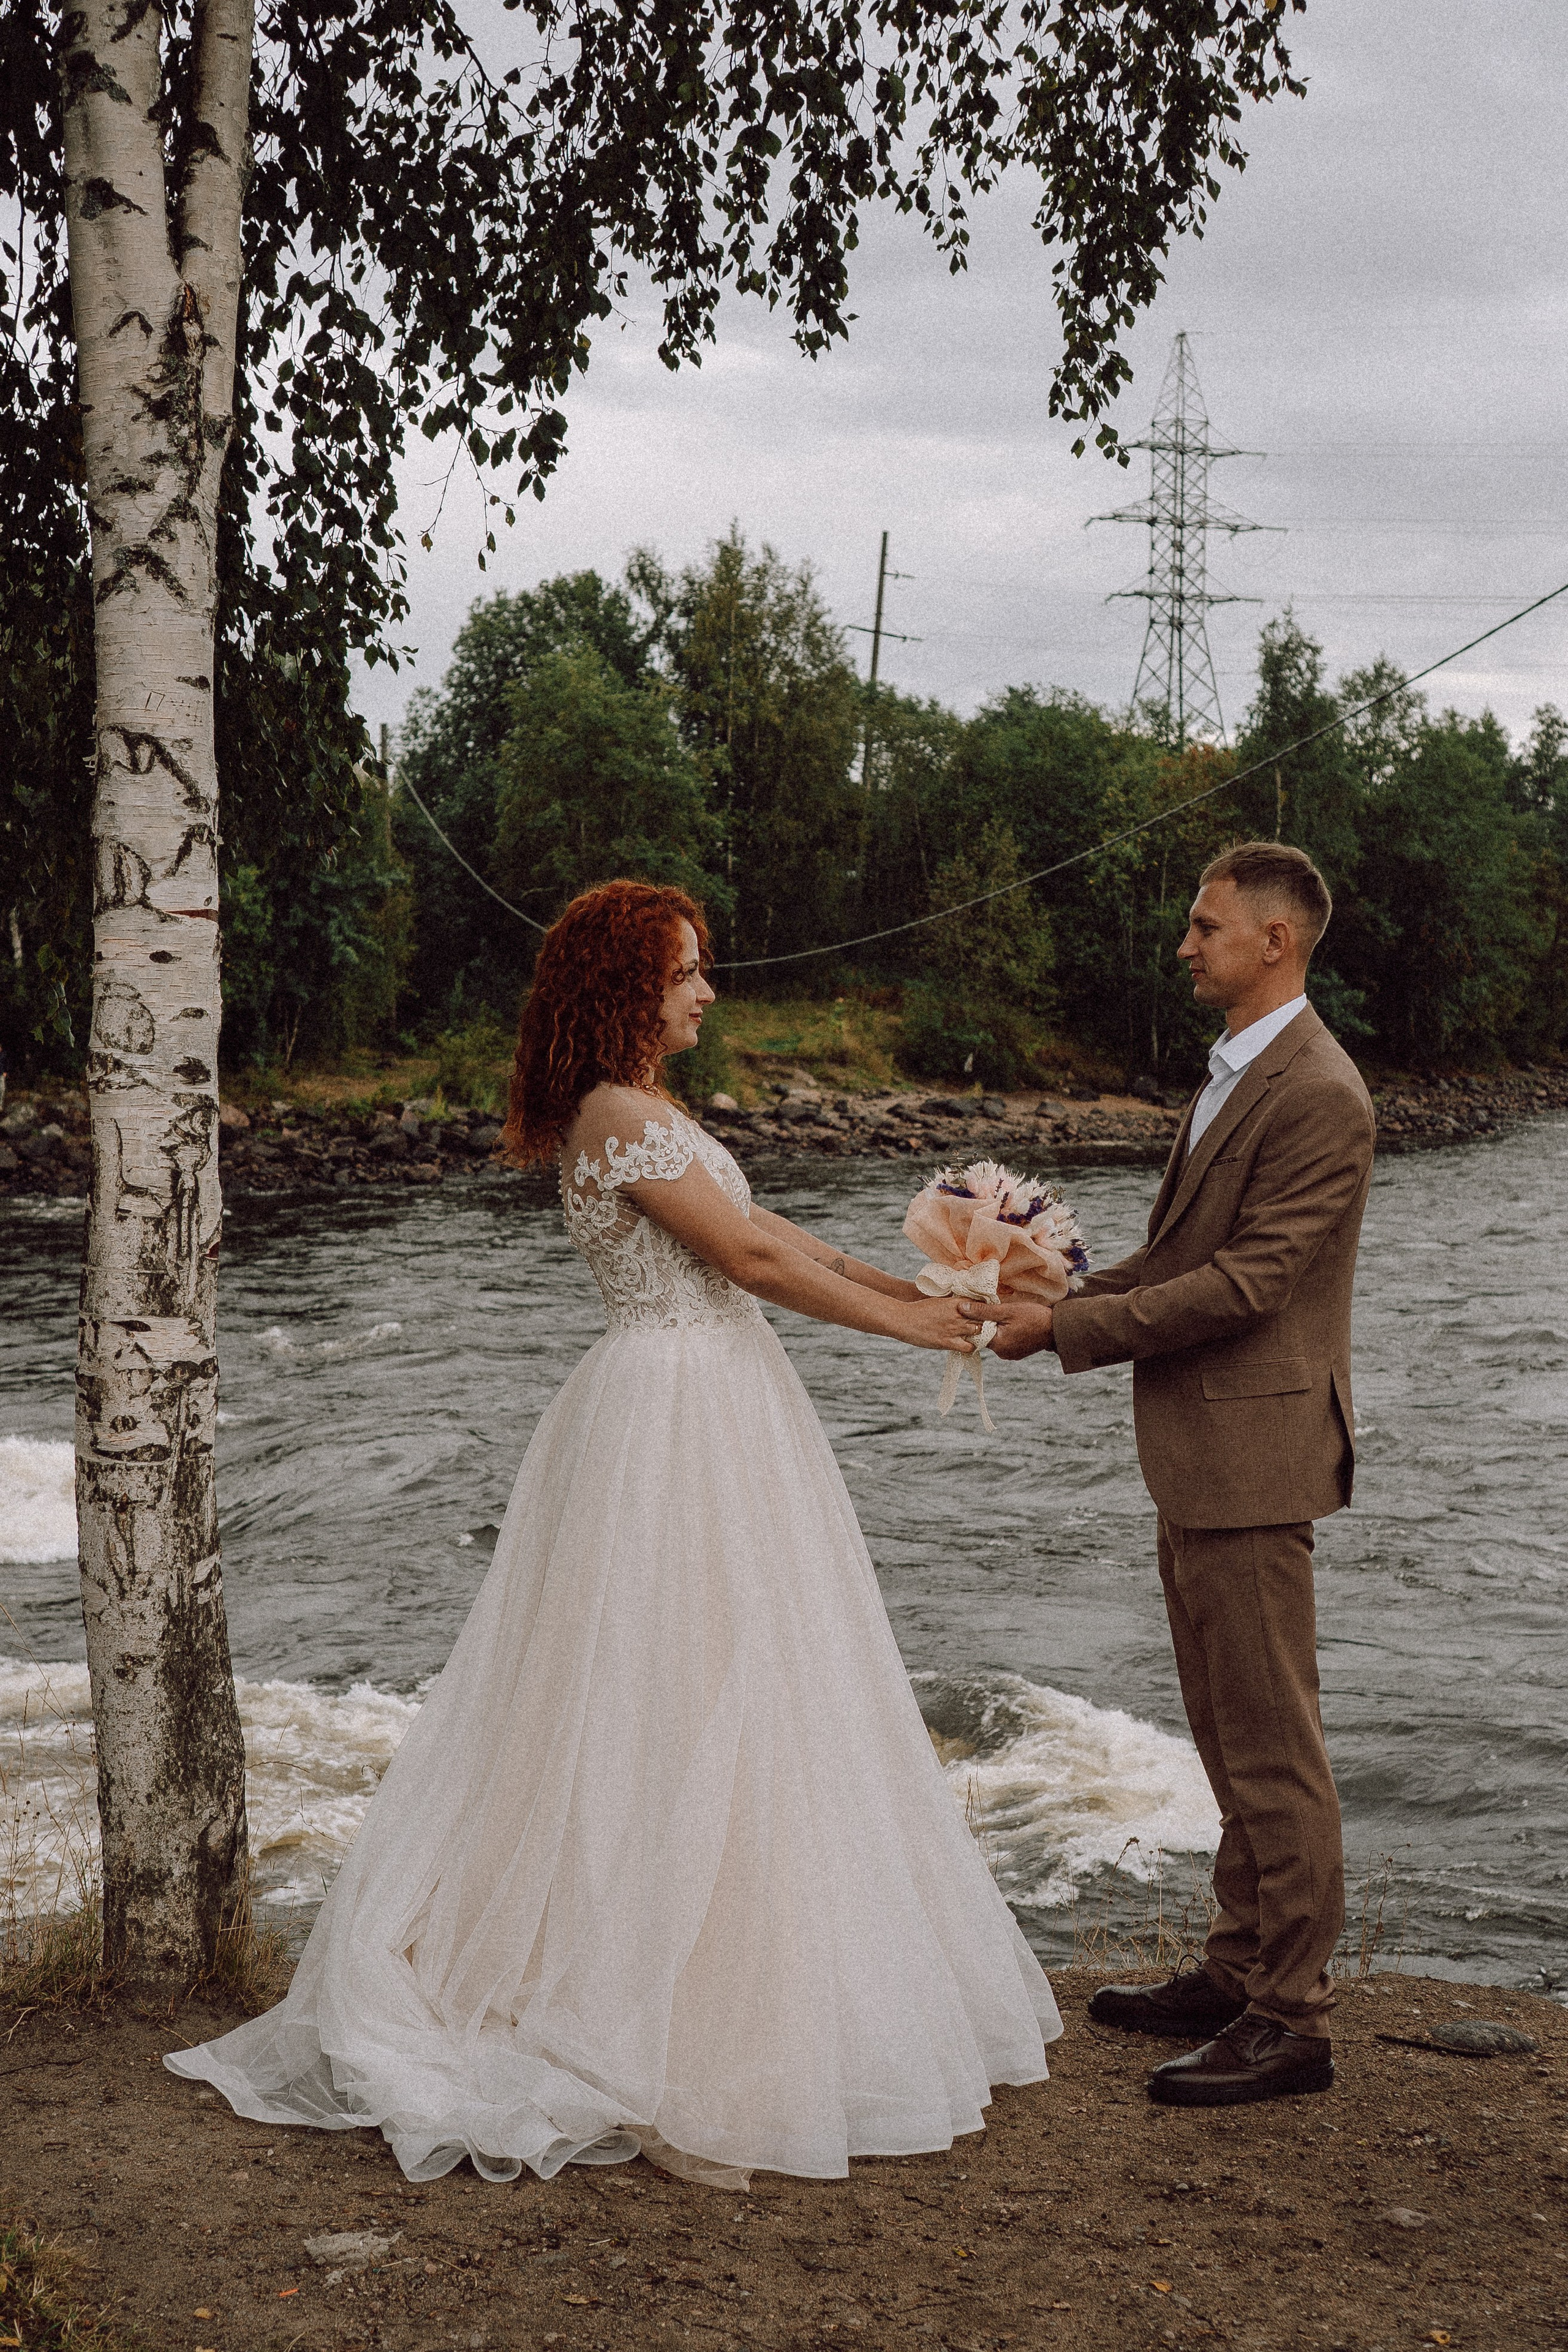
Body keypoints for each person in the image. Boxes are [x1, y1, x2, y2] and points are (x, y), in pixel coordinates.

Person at [167, 879, 1061, 2185]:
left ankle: (727, 1974)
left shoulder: (648, 1111)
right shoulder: (616, 1118)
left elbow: (766, 1233)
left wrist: (924, 1284)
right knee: (669, 1684)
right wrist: (909, 1330)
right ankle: (646, 2002)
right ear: (624, 987)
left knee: (741, 1681)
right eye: (686, 972)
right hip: (671, 1412)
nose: (706, 991)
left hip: (717, 1397)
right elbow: (748, 1267)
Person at [971, 841, 1374, 2108]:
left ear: (1275, 941)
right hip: (1205, 1453)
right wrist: (1064, 1290)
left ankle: (1291, 2023)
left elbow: (1252, 1281)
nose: (1183, 946)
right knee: (1222, 1733)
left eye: (1204, 928)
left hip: (1254, 1458)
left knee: (1272, 1748)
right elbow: (1176, 1250)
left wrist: (1069, 1332)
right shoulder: (1239, 1071)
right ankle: (1235, 1967)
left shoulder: (1320, 1091)